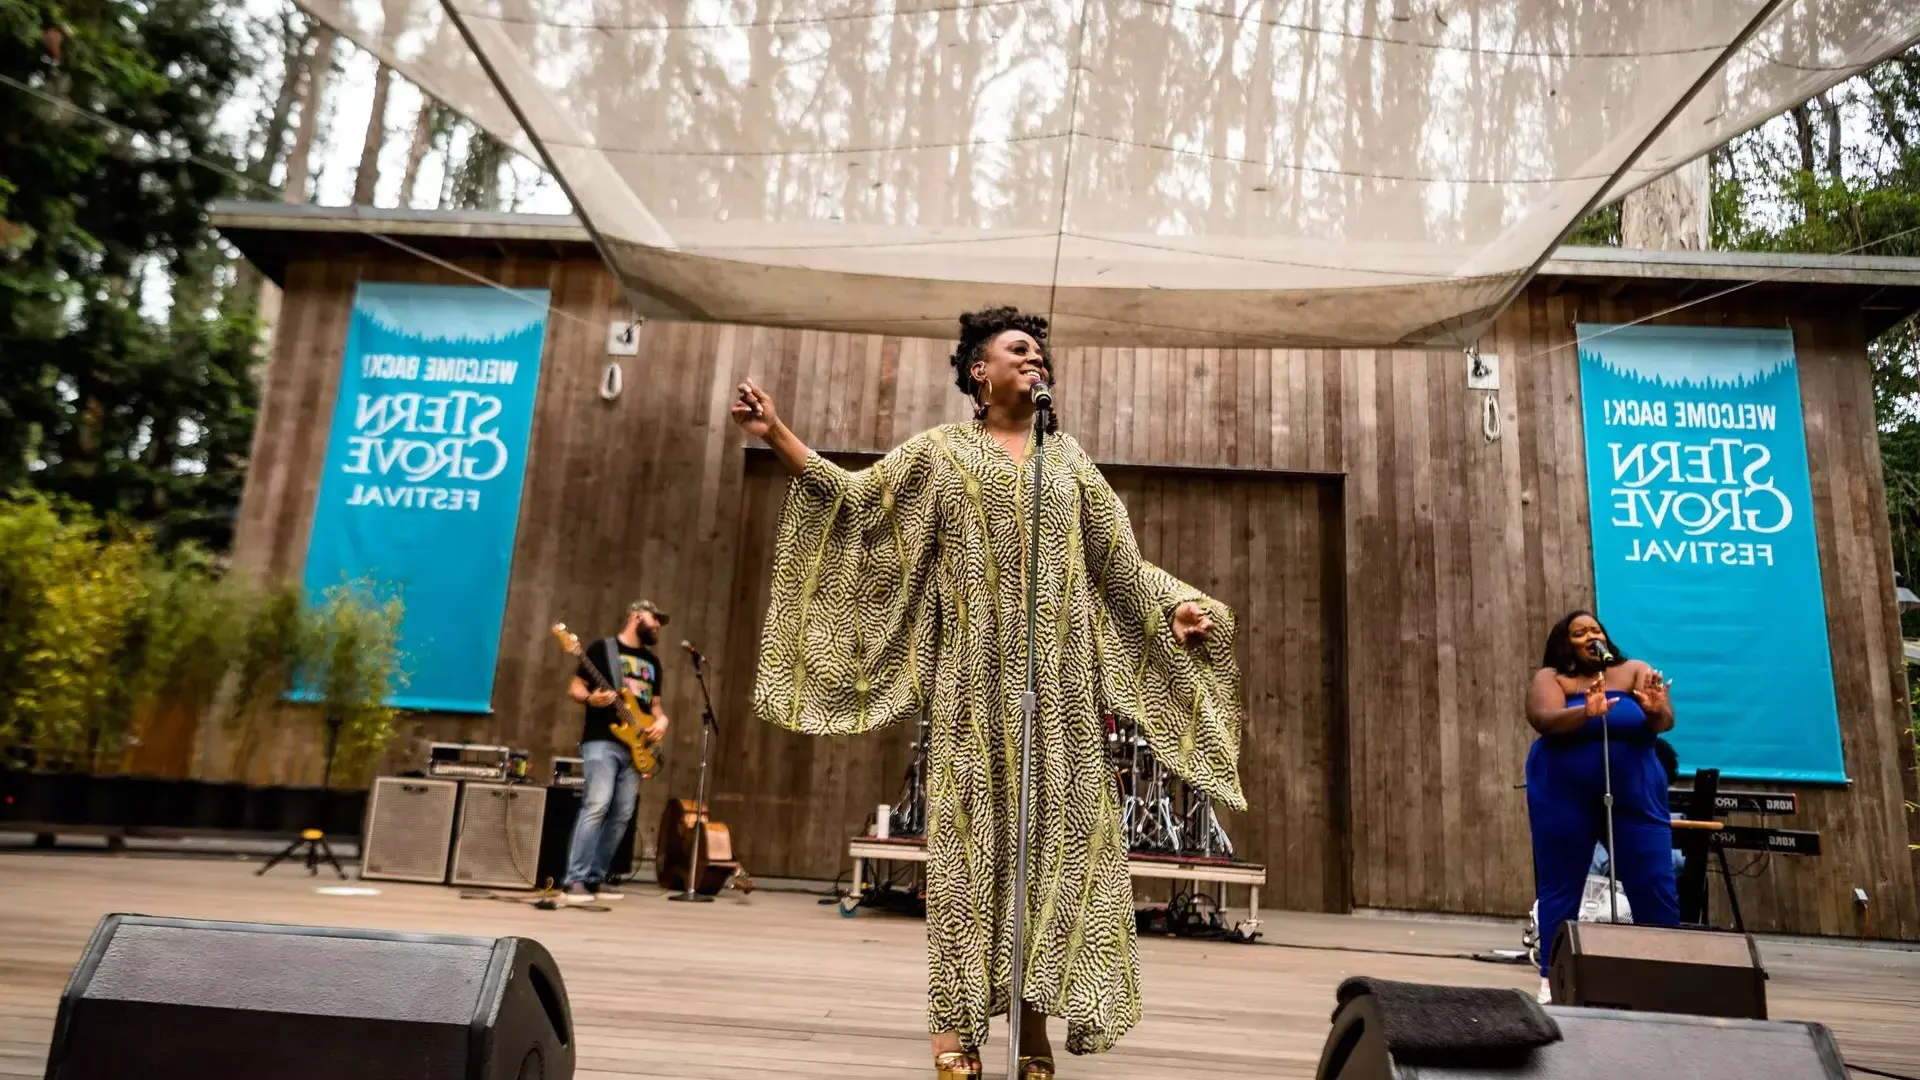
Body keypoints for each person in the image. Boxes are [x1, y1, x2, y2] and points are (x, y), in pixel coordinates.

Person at [730, 306, 1243, 1078]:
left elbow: (1119, 565)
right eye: (1018, 349)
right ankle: (952, 1026)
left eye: (1040, 352)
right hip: (975, 694)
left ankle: (1031, 1028)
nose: (1036, 359)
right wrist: (776, 434)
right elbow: (858, 499)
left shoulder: (1068, 463)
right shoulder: (940, 455)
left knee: (1054, 862)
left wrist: (1172, 608)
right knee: (971, 859)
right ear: (979, 371)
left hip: (1065, 702)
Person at [1525, 610, 1676, 1001]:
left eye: (1596, 630)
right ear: (1565, 644)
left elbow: (1664, 723)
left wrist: (1656, 707)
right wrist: (1584, 713)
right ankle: (1552, 977)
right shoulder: (1551, 677)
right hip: (1562, 791)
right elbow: (1542, 718)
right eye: (1580, 633)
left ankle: (1662, 975)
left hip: (1634, 790)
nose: (1591, 635)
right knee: (1561, 882)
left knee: (1653, 880)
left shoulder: (1634, 670)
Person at [561, 600, 671, 904]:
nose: (658, 625)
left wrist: (662, 721)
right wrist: (590, 699)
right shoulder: (601, 650)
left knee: (622, 814)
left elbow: (656, 706)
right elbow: (575, 687)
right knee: (596, 805)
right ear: (636, 616)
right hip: (602, 740)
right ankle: (575, 880)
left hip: (637, 747)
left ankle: (597, 877)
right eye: (654, 618)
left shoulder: (653, 663)